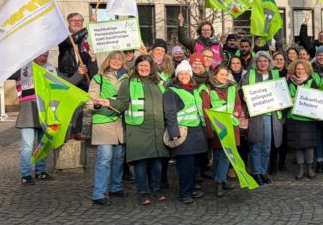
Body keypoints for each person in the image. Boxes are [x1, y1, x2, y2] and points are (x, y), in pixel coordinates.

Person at [100, 54, 169, 205]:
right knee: (141, 162)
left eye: (147, 66)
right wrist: (109, 102)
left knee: (157, 162)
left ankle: (156, 190)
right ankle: (142, 192)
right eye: (141, 65)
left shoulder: (159, 82)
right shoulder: (129, 82)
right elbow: (123, 103)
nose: (144, 68)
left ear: (151, 68)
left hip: (157, 128)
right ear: (136, 66)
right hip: (137, 129)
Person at [12, 51, 62, 184]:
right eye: (40, 55)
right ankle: (26, 174)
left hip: (44, 113)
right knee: (27, 146)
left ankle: (40, 172)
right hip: (28, 113)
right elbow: (6, 73)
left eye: (45, 56)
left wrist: (79, 73)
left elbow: (66, 83)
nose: (43, 58)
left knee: (42, 144)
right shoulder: (22, 69)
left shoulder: (52, 69)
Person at [163, 61, 208, 204]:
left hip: (196, 131)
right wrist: (173, 132)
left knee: (194, 164)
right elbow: (170, 113)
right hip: (183, 132)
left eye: (186, 73)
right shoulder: (171, 91)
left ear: (190, 74)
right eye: (180, 74)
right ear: (176, 76)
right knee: (185, 165)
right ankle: (185, 193)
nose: (184, 76)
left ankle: (191, 188)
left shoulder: (193, 90)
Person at [88, 51, 129, 205]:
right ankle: (99, 193)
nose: (117, 61)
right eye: (114, 58)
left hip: (120, 122)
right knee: (104, 159)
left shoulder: (127, 78)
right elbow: (89, 101)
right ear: (108, 60)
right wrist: (96, 103)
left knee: (118, 158)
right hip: (103, 122)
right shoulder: (98, 78)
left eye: (120, 59)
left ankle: (115, 187)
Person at [201, 64, 245, 197]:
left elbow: (238, 104)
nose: (224, 77)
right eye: (221, 74)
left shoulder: (232, 88)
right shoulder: (207, 89)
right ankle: (220, 180)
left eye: (226, 75)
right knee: (219, 154)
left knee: (226, 154)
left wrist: (237, 112)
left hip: (231, 126)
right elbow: (205, 110)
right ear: (214, 75)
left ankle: (220, 180)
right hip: (217, 127)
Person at [241, 51, 283, 185]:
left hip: (271, 116)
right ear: (256, 63)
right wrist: (244, 96)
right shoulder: (250, 74)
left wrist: (283, 102)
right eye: (260, 61)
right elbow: (241, 90)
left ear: (269, 62)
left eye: (265, 61)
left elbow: (282, 93)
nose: (263, 63)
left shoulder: (275, 74)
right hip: (255, 116)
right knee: (255, 145)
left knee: (266, 147)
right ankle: (256, 172)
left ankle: (263, 172)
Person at [58, 12, 97, 139]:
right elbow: (72, 41)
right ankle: (65, 131)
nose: (77, 22)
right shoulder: (64, 36)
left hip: (82, 74)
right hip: (68, 74)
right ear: (68, 22)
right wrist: (89, 27)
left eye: (80, 20)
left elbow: (87, 56)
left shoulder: (85, 40)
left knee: (81, 104)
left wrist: (92, 59)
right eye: (74, 20)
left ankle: (77, 131)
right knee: (67, 105)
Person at [286, 59, 319, 179]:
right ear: (294, 70)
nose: (300, 71)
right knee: (297, 145)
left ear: (306, 70)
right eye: (298, 69)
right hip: (294, 118)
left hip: (308, 119)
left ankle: (309, 168)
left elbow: (317, 100)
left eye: (302, 69)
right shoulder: (289, 82)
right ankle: (300, 169)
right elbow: (284, 98)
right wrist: (291, 100)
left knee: (309, 145)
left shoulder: (312, 82)